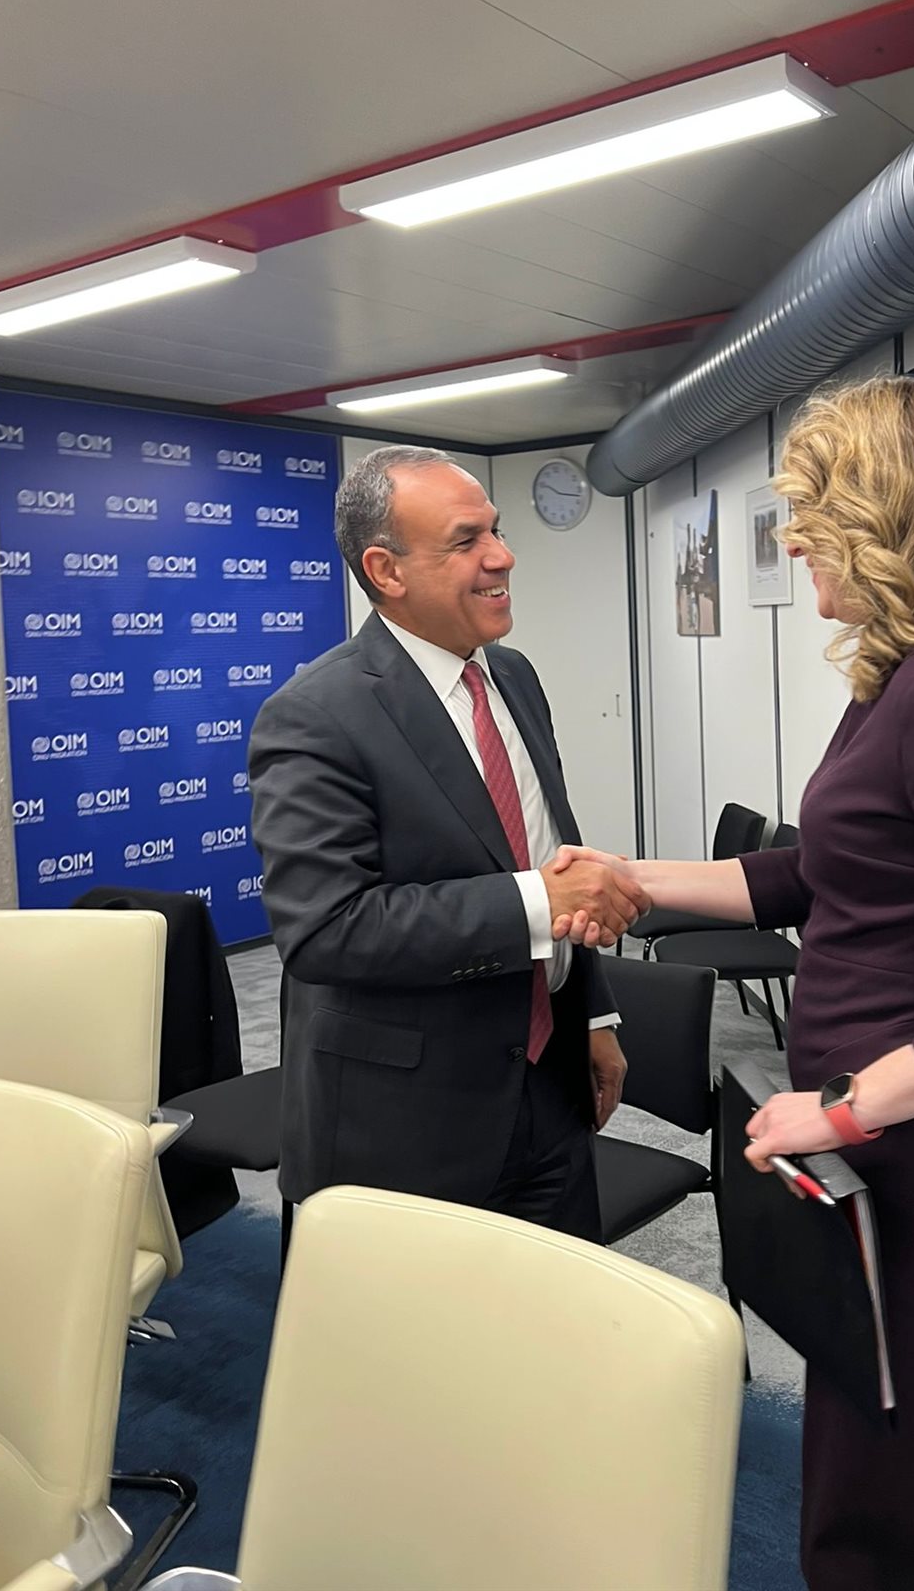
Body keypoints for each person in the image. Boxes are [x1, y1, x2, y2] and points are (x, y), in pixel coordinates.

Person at [557, 378, 914, 1589]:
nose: (795, 539)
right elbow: (814, 873)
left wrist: (845, 1109)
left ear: (879, 516)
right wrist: (633, 876)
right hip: (885, 1156)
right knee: (904, 1466)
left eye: (809, 513)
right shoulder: (899, 680)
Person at [249, 444, 648, 1242]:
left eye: (495, 532)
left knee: (552, 1313)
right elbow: (326, 930)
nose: (502, 557)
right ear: (385, 570)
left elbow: (547, 847)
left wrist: (592, 1016)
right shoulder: (316, 715)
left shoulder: (515, 677)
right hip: (406, 1127)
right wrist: (539, 901)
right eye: (467, 541)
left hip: (551, 1091)